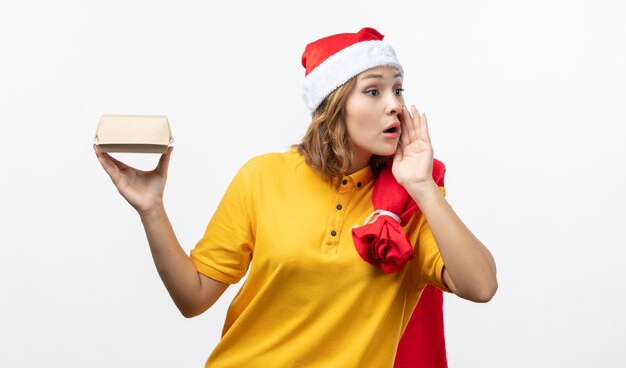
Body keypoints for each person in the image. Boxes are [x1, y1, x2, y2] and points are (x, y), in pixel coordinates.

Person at [94, 27, 497, 368]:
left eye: (397, 89)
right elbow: (193, 297)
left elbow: (480, 286)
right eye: (373, 91)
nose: (395, 105)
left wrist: (424, 188)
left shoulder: (412, 200)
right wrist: (152, 209)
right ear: (334, 106)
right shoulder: (263, 176)